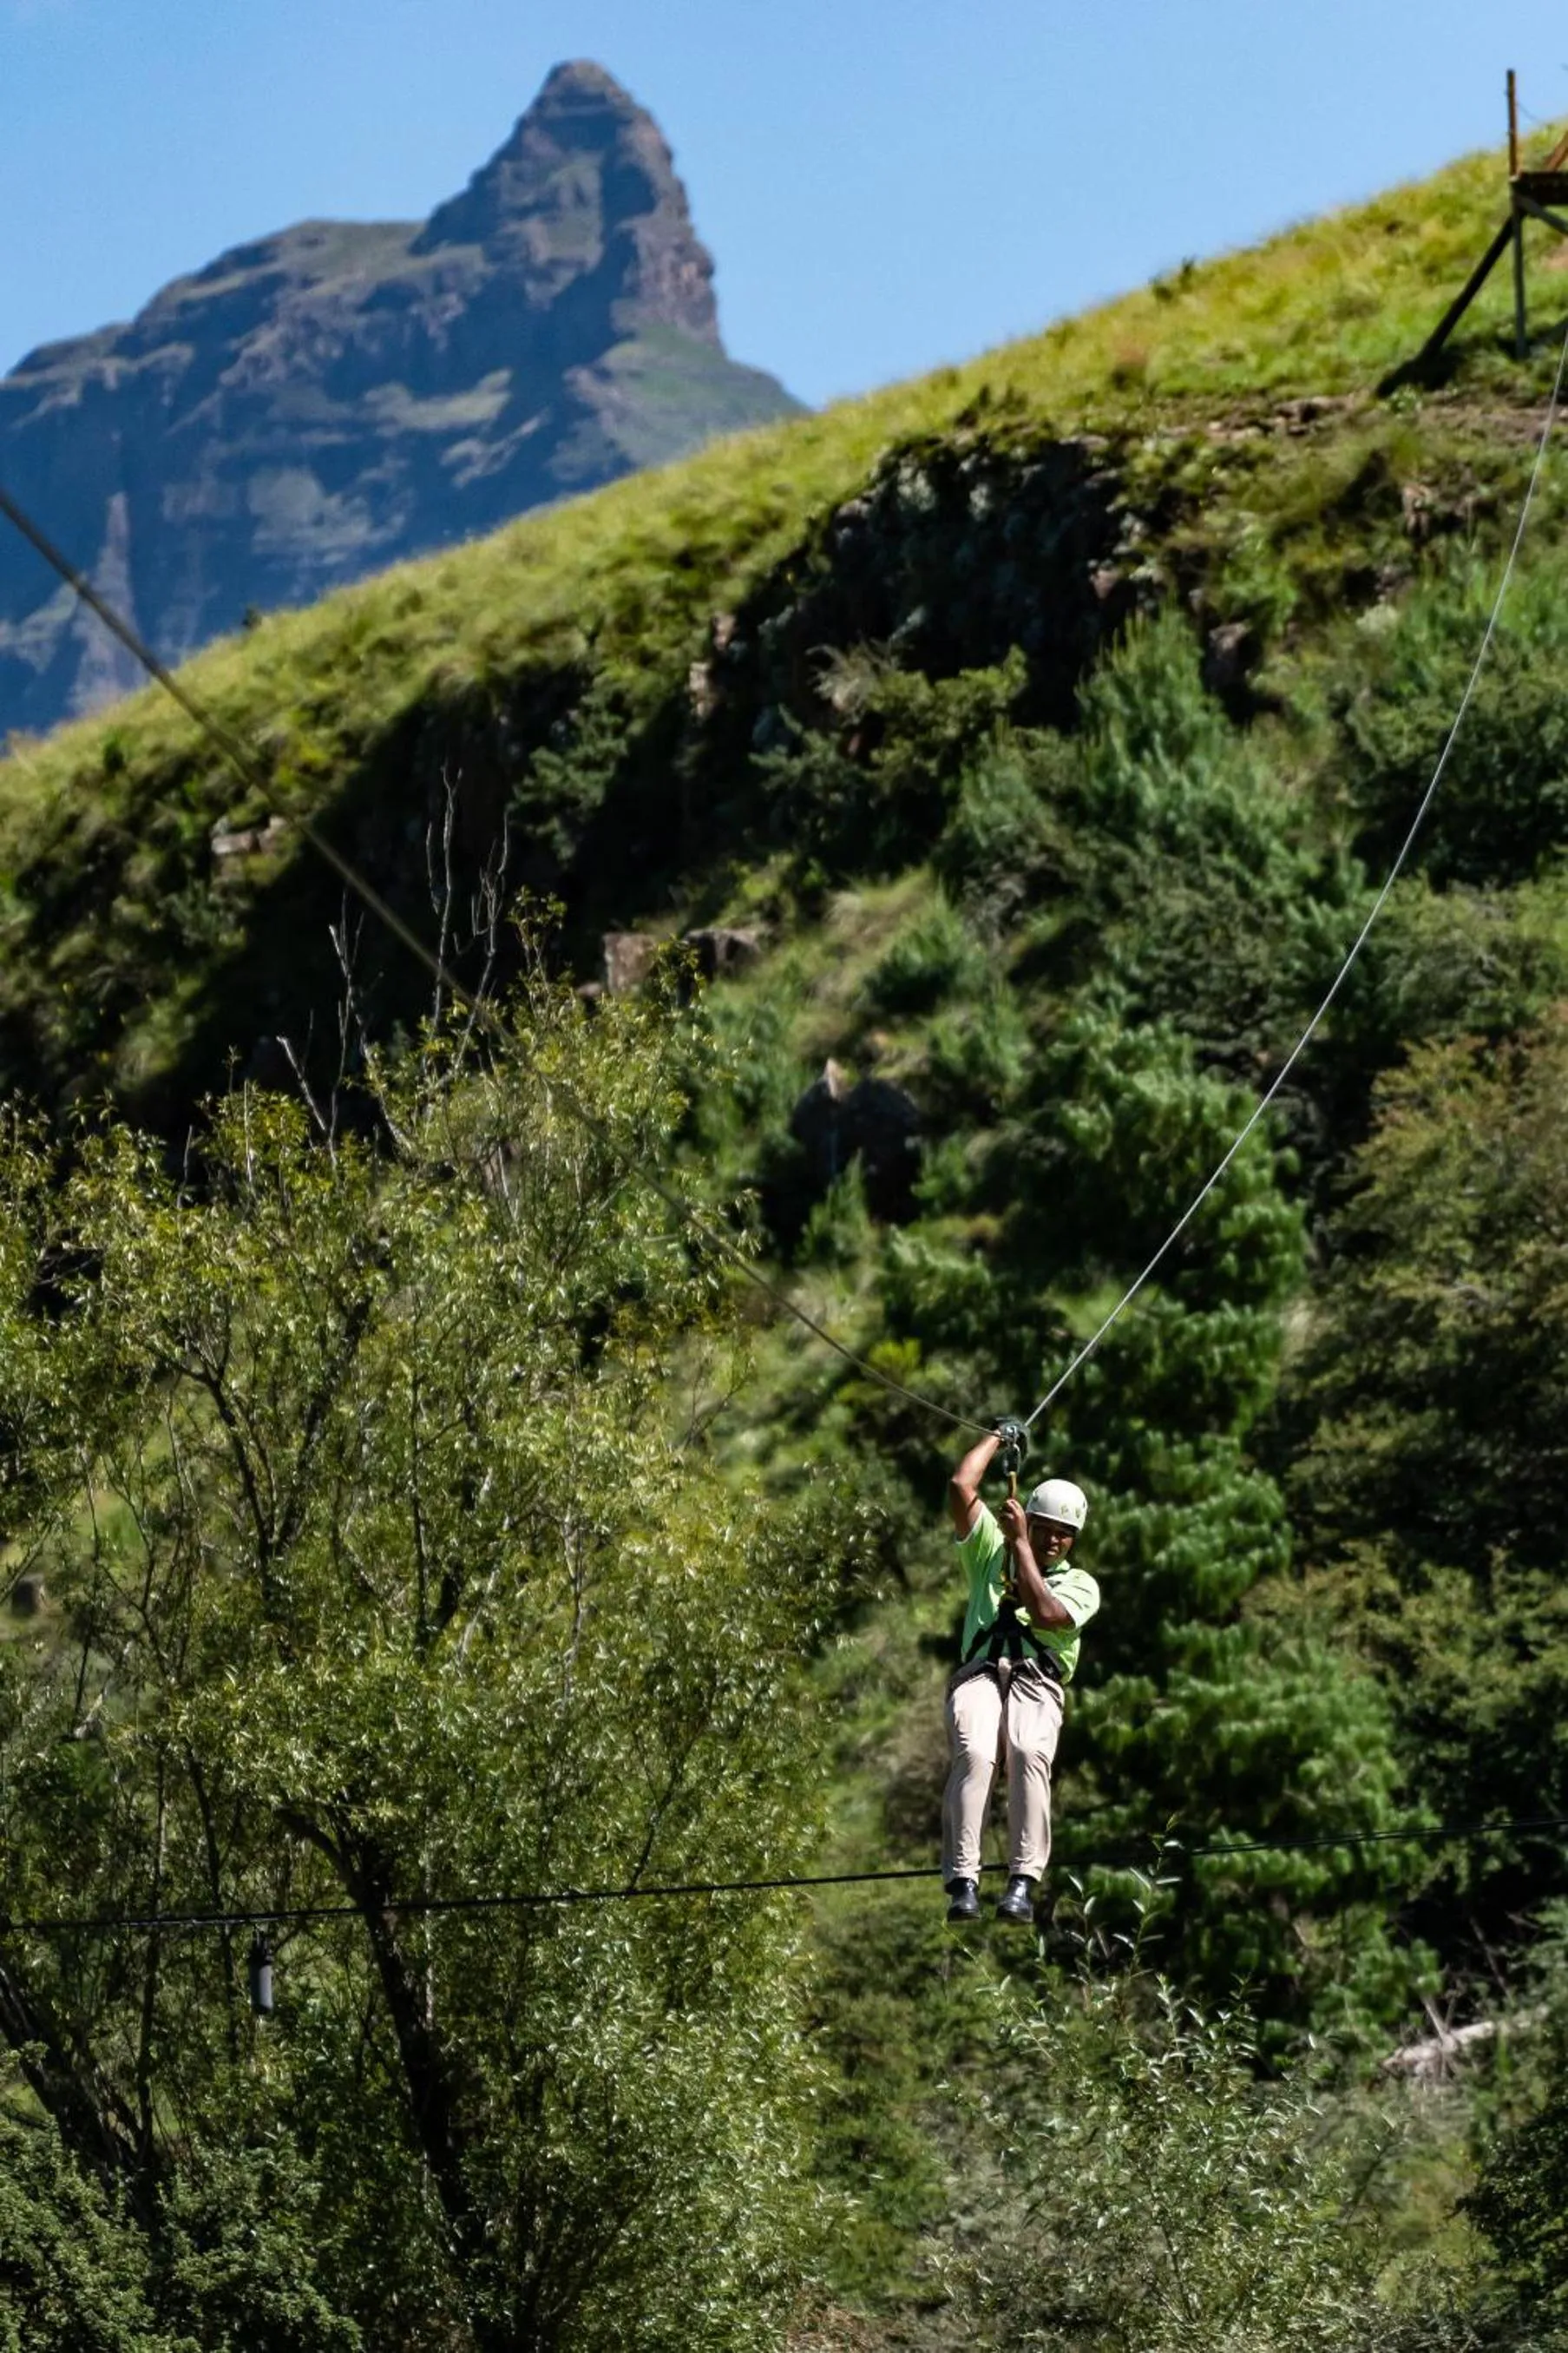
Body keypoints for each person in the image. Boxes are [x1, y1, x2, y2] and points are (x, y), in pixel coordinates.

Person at [942, 1426, 1099, 1924]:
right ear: (1027, 1519)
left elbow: (1047, 1613)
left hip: (1037, 1680)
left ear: (1074, 1540)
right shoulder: (992, 1549)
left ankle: (1022, 1881)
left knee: (1029, 1751)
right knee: (976, 1752)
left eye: (1063, 1533)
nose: (1054, 1538)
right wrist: (997, 1438)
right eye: (1044, 1526)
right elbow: (960, 1489)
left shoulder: (1081, 1584)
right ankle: (963, 1880)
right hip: (981, 1674)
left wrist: (1022, 1548)